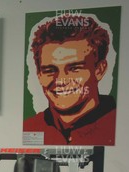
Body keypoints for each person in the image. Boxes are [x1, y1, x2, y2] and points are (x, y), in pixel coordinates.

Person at [23, 15, 116, 145]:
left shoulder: (120, 124)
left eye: (74, 68)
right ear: (39, 74)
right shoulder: (30, 127)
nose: (61, 80)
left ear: (99, 70)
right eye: (50, 70)